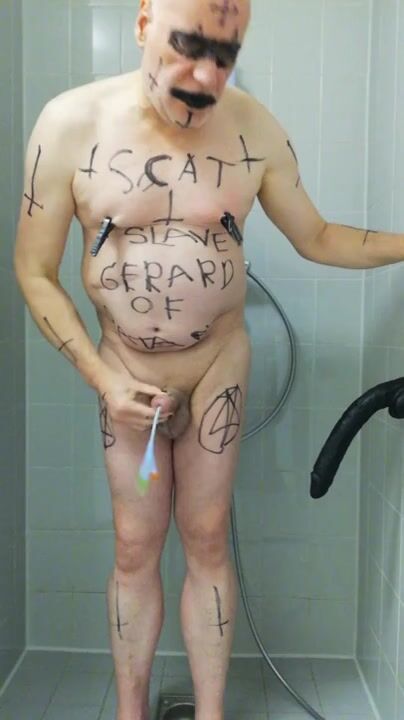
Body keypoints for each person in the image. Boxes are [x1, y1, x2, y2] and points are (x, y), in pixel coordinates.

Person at [14, 0, 404, 718]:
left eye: (223, 55)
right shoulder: (69, 125)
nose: (204, 76)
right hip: (125, 376)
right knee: (134, 546)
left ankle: (212, 713)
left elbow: (318, 237)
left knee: (206, 538)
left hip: (216, 367)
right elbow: (34, 271)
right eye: (188, 45)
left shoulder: (254, 129)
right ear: (143, 24)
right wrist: (104, 380)